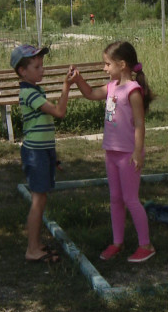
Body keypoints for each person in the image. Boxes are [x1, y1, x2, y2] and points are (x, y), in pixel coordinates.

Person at [68, 41, 156, 263]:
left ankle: (146, 245)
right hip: (112, 152)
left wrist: (138, 152)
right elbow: (89, 94)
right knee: (115, 198)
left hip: (128, 154)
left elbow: (139, 124)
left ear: (122, 64)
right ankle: (118, 242)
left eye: (107, 64)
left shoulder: (133, 91)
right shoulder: (111, 86)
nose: (104, 68)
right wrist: (78, 80)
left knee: (130, 199)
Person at [11, 44, 72, 263]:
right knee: (38, 200)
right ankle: (32, 249)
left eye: (42, 65)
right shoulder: (28, 93)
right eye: (37, 66)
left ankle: (36, 245)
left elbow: (44, 129)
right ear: (22, 72)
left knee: (41, 199)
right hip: (35, 154)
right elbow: (59, 112)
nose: (42, 70)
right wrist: (66, 86)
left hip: (42, 152)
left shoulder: (36, 90)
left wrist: (53, 157)